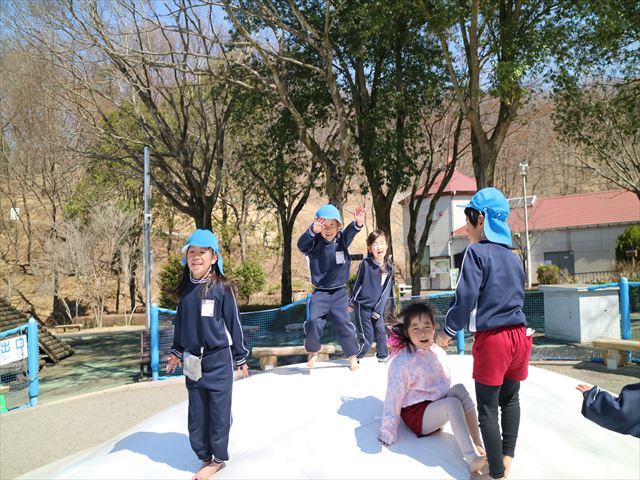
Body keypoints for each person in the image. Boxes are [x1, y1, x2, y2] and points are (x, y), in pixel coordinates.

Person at [436, 187, 533, 479]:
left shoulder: (476, 253)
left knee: (488, 408)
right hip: (520, 336)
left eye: (468, 222)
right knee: (510, 399)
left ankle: (495, 472)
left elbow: (464, 298)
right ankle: (506, 457)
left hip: (494, 340)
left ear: (480, 219)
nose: (466, 229)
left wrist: (447, 332)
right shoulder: (514, 258)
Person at [166, 229, 249, 480]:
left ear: (214, 257)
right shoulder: (186, 290)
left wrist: (241, 356)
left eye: (202, 252)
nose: (196, 257)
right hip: (192, 361)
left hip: (218, 360)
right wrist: (176, 351)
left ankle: (218, 459)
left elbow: (234, 324)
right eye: (192, 252)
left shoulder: (222, 288)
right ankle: (204, 455)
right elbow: (181, 323)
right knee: (197, 416)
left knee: (218, 413)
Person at [379, 302, 486, 473]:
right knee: (452, 404)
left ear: (434, 328)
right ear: (407, 332)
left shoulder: (435, 351)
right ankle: (472, 459)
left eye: (427, 326)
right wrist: (387, 431)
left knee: (459, 389)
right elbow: (393, 396)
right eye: (415, 328)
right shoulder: (403, 361)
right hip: (417, 415)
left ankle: (478, 443)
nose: (422, 332)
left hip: (433, 404)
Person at [297, 203, 364, 371]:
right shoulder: (314, 243)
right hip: (320, 293)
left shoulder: (342, 239)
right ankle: (313, 351)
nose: (328, 230)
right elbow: (301, 245)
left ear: (338, 226)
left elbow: (351, 231)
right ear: (318, 226)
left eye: (332, 225)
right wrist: (312, 231)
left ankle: (352, 356)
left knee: (344, 323)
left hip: (339, 292)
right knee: (314, 323)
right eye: (324, 226)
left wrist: (358, 223)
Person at [349, 229, 394, 362]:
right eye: (375, 244)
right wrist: (351, 302)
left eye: (381, 243)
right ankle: (355, 356)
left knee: (381, 334)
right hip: (362, 307)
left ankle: (383, 357)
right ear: (369, 248)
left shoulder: (389, 267)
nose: (379, 247)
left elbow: (386, 291)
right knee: (367, 338)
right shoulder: (366, 264)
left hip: (377, 310)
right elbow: (358, 284)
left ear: (387, 246)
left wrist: (378, 310)